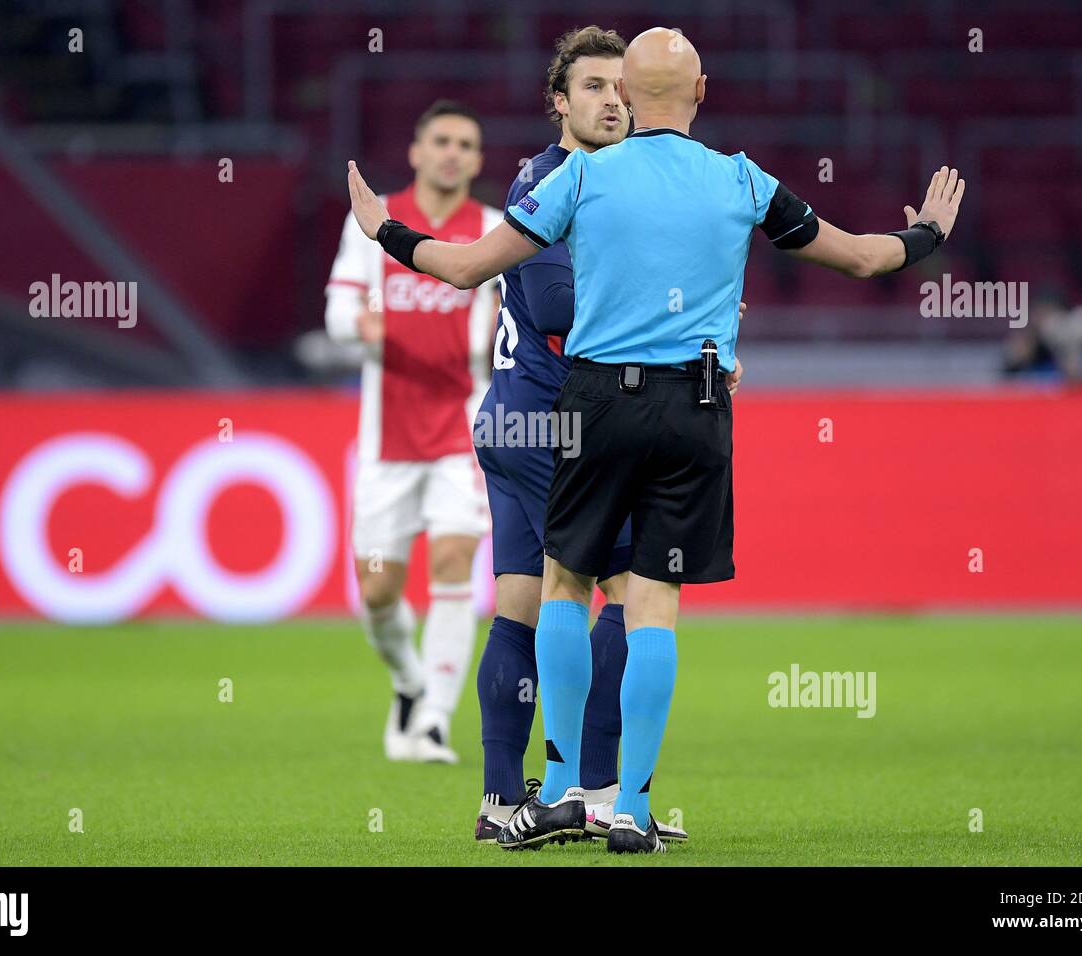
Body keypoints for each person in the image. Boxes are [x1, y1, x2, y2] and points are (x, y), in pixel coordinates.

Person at [345, 27, 965, 851]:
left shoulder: (581, 176)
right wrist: (927, 236)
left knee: (556, 586)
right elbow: (859, 258)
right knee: (651, 606)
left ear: (630, 99)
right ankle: (627, 806)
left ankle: (558, 790)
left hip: (592, 405)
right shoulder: (742, 178)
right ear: (702, 89)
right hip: (696, 405)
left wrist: (383, 231)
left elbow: (465, 270)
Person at [472, 25, 742, 844]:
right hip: (556, 421)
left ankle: (499, 804)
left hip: (520, 415)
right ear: (559, 103)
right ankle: (597, 796)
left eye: (619, 85)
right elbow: (555, 307)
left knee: (520, 602)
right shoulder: (556, 178)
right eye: (592, 87)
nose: (612, 100)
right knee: (624, 593)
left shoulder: (603, 179)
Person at [325, 101, 500, 764]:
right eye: (442, 141)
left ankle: (432, 719)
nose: (453, 153)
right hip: (386, 444)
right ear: (417, 151)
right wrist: (364, 326)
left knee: (455, 562)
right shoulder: (373, 219)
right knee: (376, 594)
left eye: (466, 143)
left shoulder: (491, 229)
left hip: (465, 434)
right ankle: (407, 681)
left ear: (478, 161)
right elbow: (339, 313)